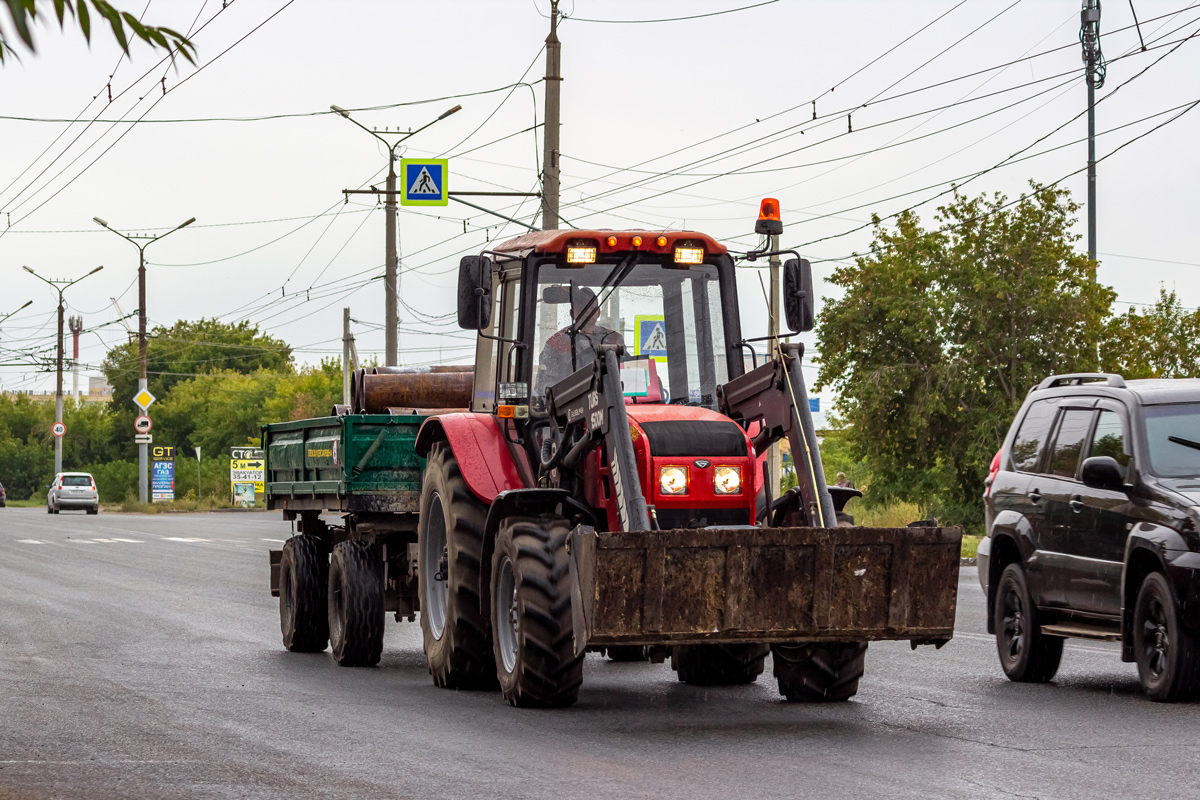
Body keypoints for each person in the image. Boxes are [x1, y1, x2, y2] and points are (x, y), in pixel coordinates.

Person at [534, 286, 624, 395]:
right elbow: (545, 383)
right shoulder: (555, 343)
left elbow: (627, 373)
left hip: (609, 402)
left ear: (598, 312)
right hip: (569, 404)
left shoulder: (614, 339)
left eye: (591, 308)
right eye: (582, 309)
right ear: (572, 313)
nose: (586, 312)